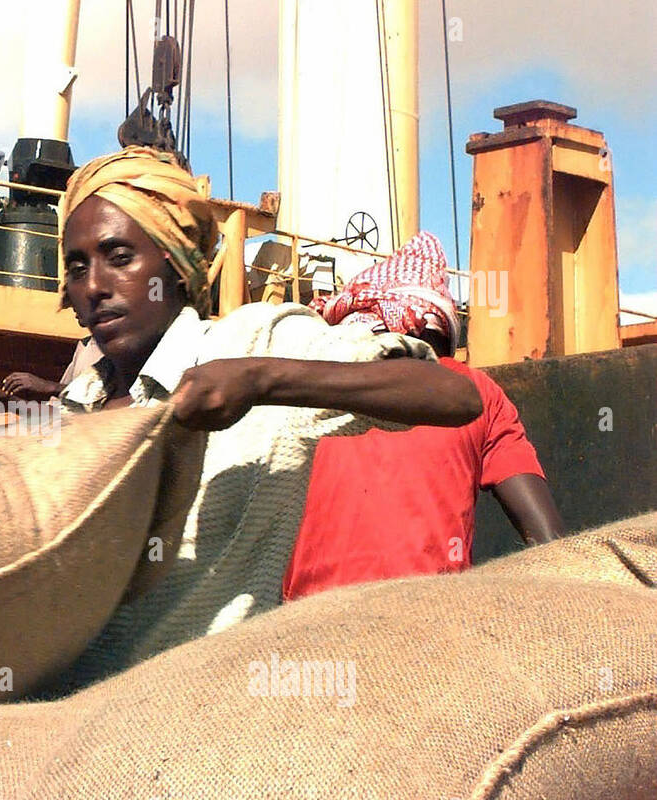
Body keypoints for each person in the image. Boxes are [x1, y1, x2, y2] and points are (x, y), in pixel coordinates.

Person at [48, 146, 483, 689]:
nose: (94, 286)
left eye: (119, 256)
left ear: (178, 266)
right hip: (64, 728)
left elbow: (450, 395)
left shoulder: (251, 342)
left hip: (201, 721)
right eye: (77, 266)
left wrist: (262, 381)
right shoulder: (73, 406)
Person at [282, 232, 564, 601]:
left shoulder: (306, 382)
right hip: (430, 630)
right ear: (443, 333)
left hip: (300, 629)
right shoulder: (475, 391)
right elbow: (548, 540)